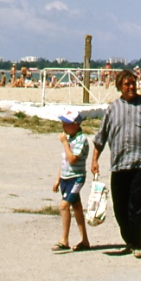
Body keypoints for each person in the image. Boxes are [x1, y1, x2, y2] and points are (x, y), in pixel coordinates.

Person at [90, 69, 141, 259]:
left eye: (133, 83)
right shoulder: (112, 108)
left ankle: (137, 243)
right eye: (127, 84)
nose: (131, 87)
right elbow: (100, 137)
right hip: (119, 164)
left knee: (138, 205)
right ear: (119, 87)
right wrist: (94, 159)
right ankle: (129, 239)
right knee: (120, 207)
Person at [52, 108, 91, 252]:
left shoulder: (81, 140)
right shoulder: (70, 139)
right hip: (66, 177)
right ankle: (84, 240)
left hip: (76, 178)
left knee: (64, 206)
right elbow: (64, 162)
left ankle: (64, 239)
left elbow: (73, 159)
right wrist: (58, 179)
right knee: (77, 207)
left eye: (66, 124)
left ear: (75, 125)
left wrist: (64, 144)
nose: (63, 127)